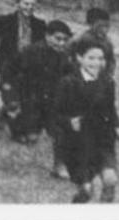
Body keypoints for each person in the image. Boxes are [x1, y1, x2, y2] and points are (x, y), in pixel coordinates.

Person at [5, 19, 73, 178]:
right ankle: (9, 116)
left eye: (65, 40)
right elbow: (9, 71)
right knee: (31, 137)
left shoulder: (65, 56)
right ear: (47, 36)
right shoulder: (31, 51)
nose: (61, 43)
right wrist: (10, 98)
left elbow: (71, 76)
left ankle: (59, 166)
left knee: (60, 131)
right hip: (30, 99)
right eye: (58, 38)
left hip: (53, 101)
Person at [56, 40, 119, 202]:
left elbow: (110, 112)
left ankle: (105, 201)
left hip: (101, 141)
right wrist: (69, 122)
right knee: (89, 188)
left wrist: (115, 127)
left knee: (110, 178)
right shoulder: (68, 82)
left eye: (100, 59)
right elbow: (55, 114)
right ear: (79, 58)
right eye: (91, 58)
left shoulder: (108, 83)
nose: (96, 63)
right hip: (77, 143)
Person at [0, 0, 47, 133]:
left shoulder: (40, 25)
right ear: (17, 4)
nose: (29, 7)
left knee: (25, 98)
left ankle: (9, 117)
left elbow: (44, 45)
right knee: (11, 98)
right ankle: (8, 113)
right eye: (26, 3)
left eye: (32, 4)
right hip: (8, 65)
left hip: (28, 67)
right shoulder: (5, 21)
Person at [70, 7, 118, 79]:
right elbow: (70, 54)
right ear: (91, 24)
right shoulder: (82, 38)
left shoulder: (107, 42)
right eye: (100, 26)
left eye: (107, 26)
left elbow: (111, 60)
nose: (104, 30)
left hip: (99, 77)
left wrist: (109, 75)